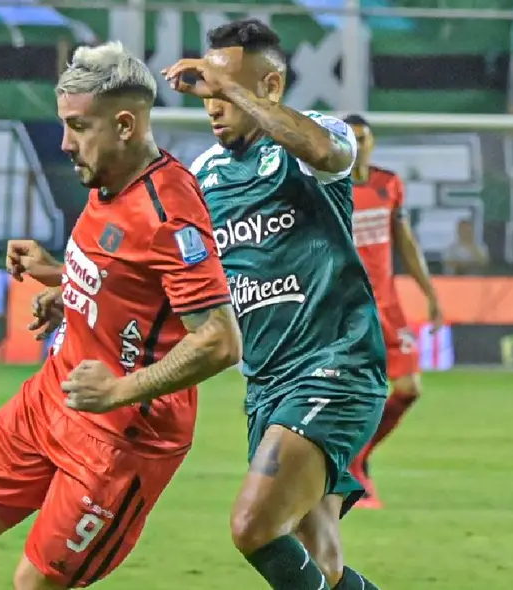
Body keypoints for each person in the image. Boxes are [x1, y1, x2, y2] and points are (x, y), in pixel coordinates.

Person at [0, 41, 242, 590]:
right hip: (55, 394)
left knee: (36, 583)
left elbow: (219, 340)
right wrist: (64, 280)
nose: (64, 142)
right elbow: (131, 279)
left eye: (78, 126)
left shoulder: (169, 212)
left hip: (123, 434)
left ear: (124, 125)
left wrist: (119, 391)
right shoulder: (109, 177)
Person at [164, 19, 386, 590]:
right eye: (207, 93)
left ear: (270, 85)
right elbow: (173, 271)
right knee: (321, 563)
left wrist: (233, 89)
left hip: (335, 368)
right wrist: (64, 283)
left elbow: (323, 151)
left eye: (224, 90)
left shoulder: (317, 137)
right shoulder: (204, 175)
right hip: (266, 385)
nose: (213, 105)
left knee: (253, 526)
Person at [344, 114, 445, 509]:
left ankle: (359, 456)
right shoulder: (329, 188)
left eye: (363, 138)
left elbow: (405, 241)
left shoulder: (388, 184)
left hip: (388, 306)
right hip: (347, 309)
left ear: (373, 143)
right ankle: (348, 469)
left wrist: (429, 292)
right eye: (350, 139)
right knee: (358, 394)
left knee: (409, 388)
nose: (358, 146)